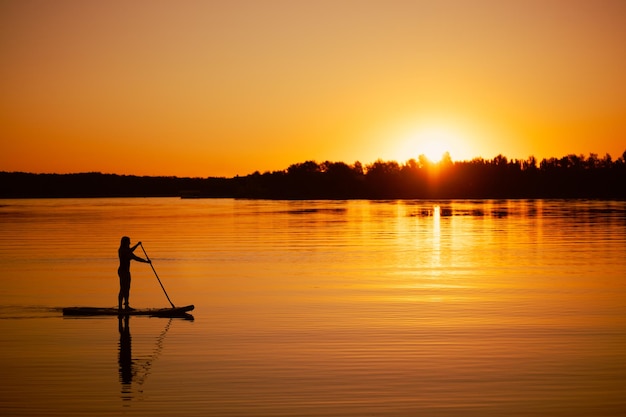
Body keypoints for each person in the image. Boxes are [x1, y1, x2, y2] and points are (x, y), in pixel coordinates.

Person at [118, 236, 150, 310]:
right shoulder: (122, 251)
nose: (130, 243)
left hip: (127, 272)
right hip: (123, 272)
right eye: (128, 241)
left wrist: (137, 245)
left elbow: (131, 250)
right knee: (123, 289)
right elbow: (136, 258)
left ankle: (126, 305)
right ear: (125, 242)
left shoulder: (126, 250)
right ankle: (120, 307)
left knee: (127, 288)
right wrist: (146, 261)